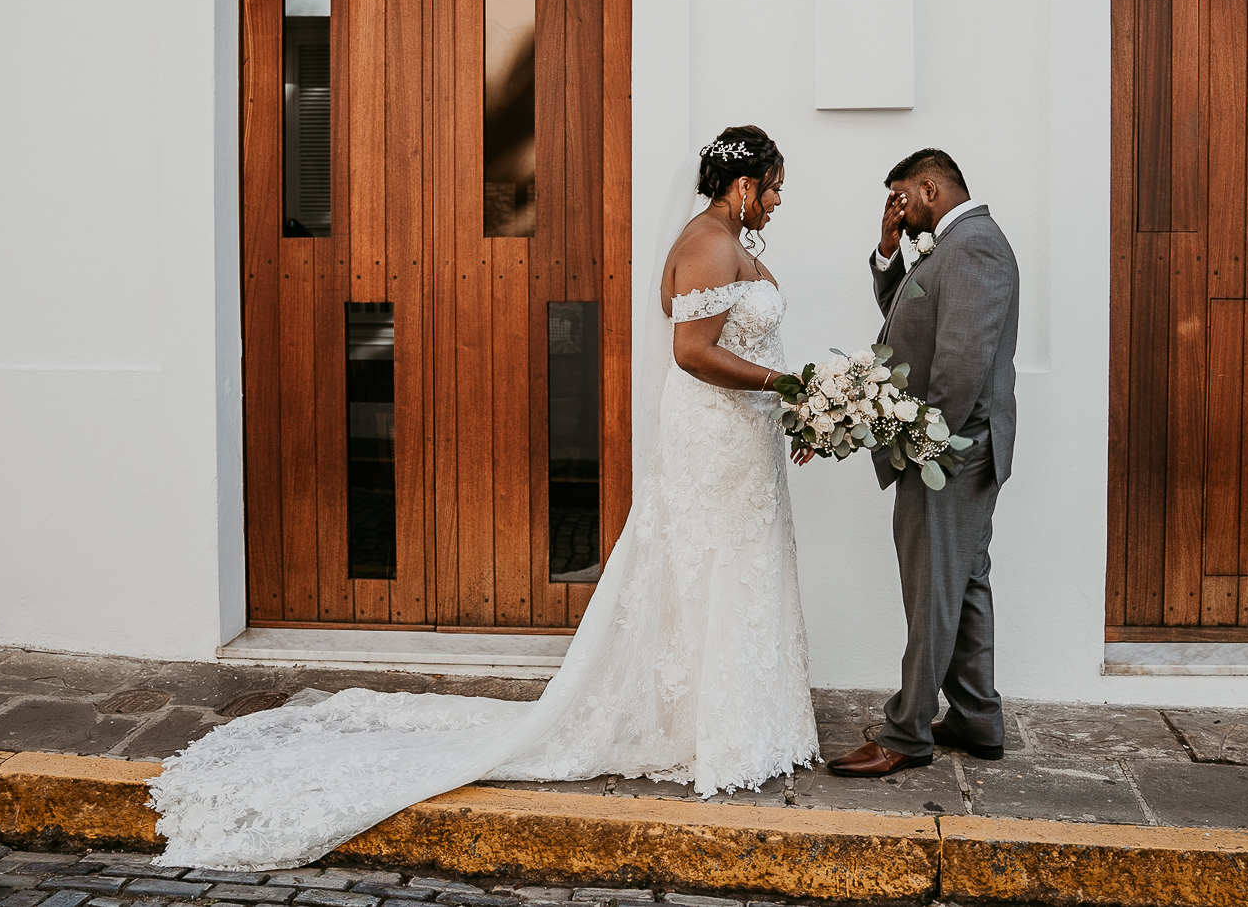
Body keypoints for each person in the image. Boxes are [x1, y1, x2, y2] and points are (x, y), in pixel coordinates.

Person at [149, 126, 818, 870]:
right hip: (716, 441)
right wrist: (786, 387)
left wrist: (800, 406)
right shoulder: (708, 242)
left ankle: (725, 720)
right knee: (709, 568)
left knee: (733, 568)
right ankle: (705, 730)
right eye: (775, 184)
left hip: (743, 438)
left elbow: (741, 340)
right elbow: (691, 351)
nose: (779, 199)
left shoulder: (730, 242)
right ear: (743, 184)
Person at [826, 149, 1020, 777]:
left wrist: (924, 442)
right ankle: (974, 716)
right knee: (963, 582)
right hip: (957, 443)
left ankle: (906, 733)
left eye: (902, 198)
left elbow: (961, 365)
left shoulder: (973, 247)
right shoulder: (953, 245)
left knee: (933, 587)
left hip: (951, 450)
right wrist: (888, 252)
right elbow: (908, 319)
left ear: (930, 188)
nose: (898, 210)